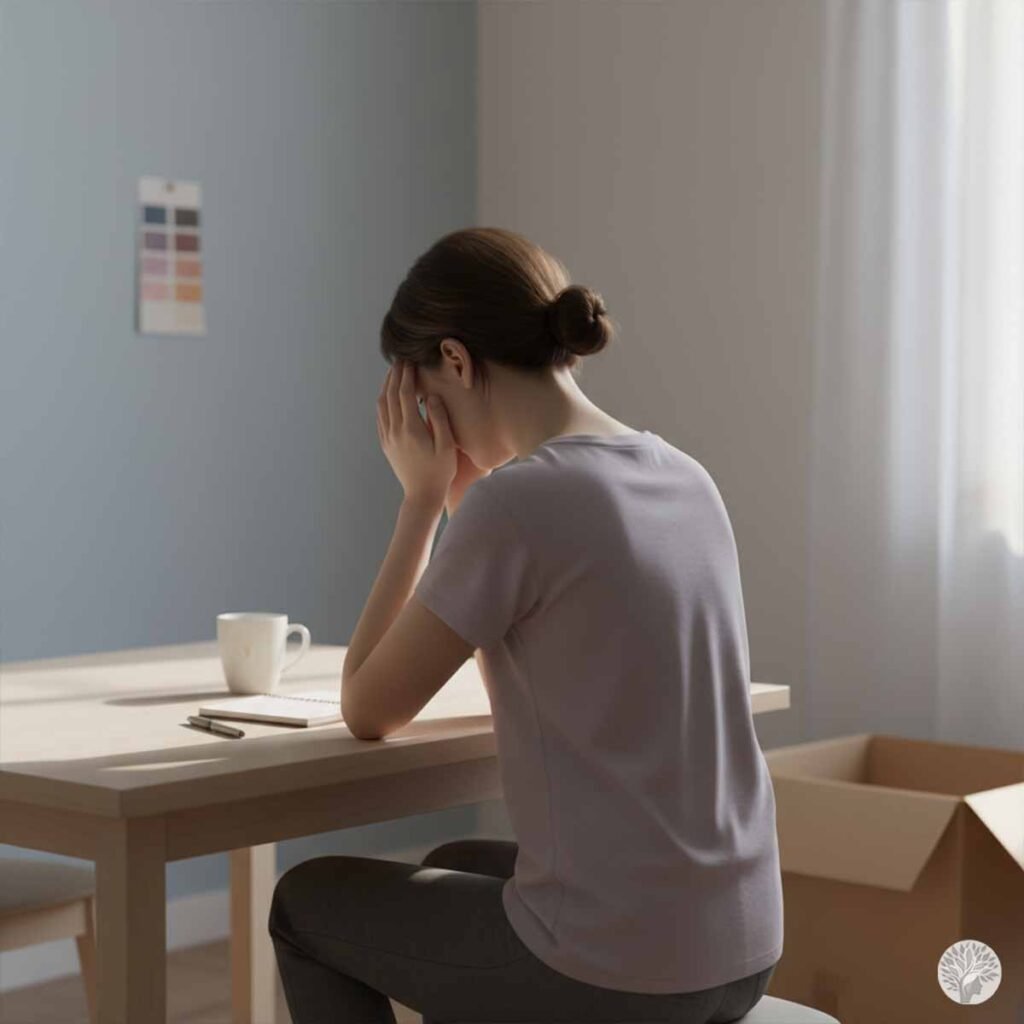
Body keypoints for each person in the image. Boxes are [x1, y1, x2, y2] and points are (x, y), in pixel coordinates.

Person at [269, 226, 783, 1023]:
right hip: (739, 947)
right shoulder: (684, 476)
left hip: (624, 975)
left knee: (304, 904)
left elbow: (369, 709)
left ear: (455, 361)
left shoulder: (520, 502)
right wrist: (463, 493)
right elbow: (523, 652)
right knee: (454, 863)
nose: (426, 427)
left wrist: (419, 503)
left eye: (423, 402)